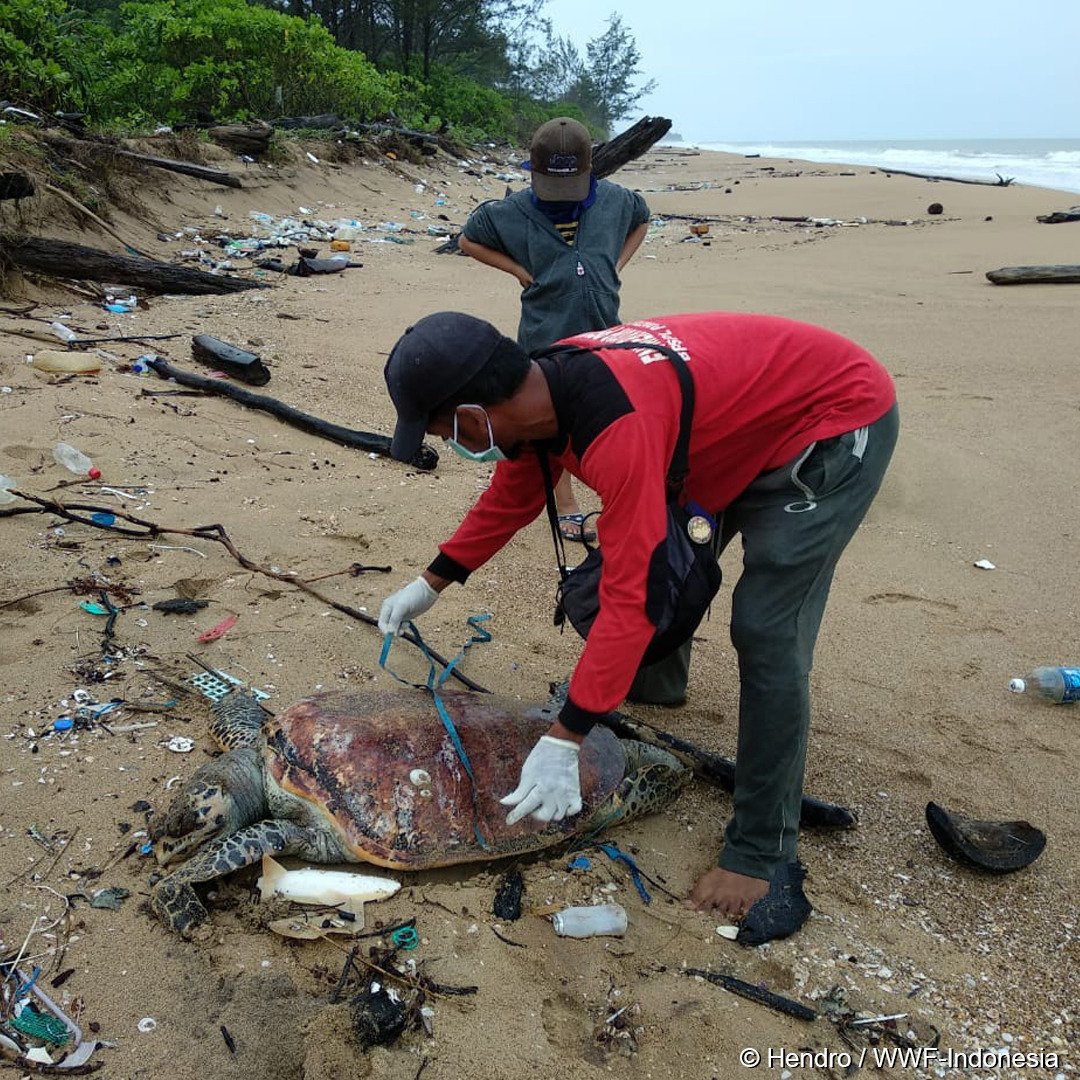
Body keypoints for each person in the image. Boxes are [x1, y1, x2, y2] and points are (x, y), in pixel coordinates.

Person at [377, 309, 898, 925]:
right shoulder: (540, 393)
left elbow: (634, 596)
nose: (447, 444)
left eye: (442, 431)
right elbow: (515, 492)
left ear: (473, 416)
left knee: (765, 627)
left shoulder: (617, 428)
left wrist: (566, 737)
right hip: (718, 429)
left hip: (830, 420)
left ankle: (761, 848)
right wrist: (432, 581)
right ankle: (652, 686)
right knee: (669, 555)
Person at [458, 116, 650, 544]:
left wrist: (616, 263)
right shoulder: (511, 213)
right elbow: (468, 239)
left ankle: (621, 499)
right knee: (548, 424)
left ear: (589, 170)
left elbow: (643, 217)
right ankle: (565, 503)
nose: (561, 199)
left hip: (604, 335)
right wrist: (516, 269)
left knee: (611, 416)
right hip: (544, 339)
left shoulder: (617, 201)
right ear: (533, 172)